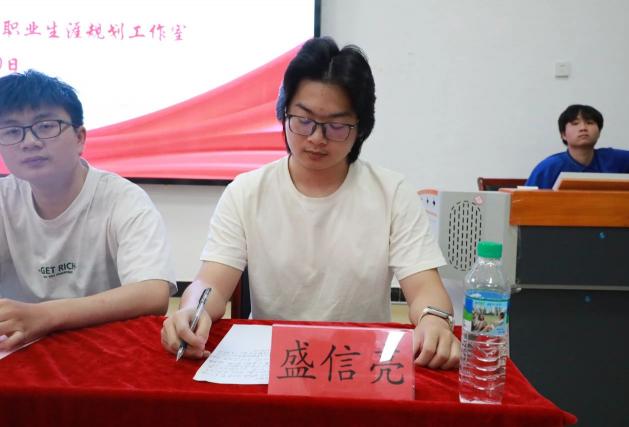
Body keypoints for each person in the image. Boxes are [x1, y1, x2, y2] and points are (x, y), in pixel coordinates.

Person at [161, 37, 460, 369]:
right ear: (284, 112)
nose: (317, 138)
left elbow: (425, 288)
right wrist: (193, 309)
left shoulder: (392, 193)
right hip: (272, 361)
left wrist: (434, 320)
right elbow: (211, 284)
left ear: (361, 127)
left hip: (360, 363)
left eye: (336, 126)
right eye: (303, 121)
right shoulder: (246, 192)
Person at [0, 70, 176, 352]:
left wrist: (44, 316)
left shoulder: (122, 199)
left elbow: (152, 293)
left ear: (80, 138)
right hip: (18, 351)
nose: (29, 141)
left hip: (105, 348)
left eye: (45, 126)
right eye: (11, 131)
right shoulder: (4, 198)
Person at [526, 104, 629, 188]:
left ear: (599, 132)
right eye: (575, 123)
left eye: (590, 123)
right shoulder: (549, 167)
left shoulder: (613, 159)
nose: (583, 128)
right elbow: (526, 202)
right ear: (563, 134)